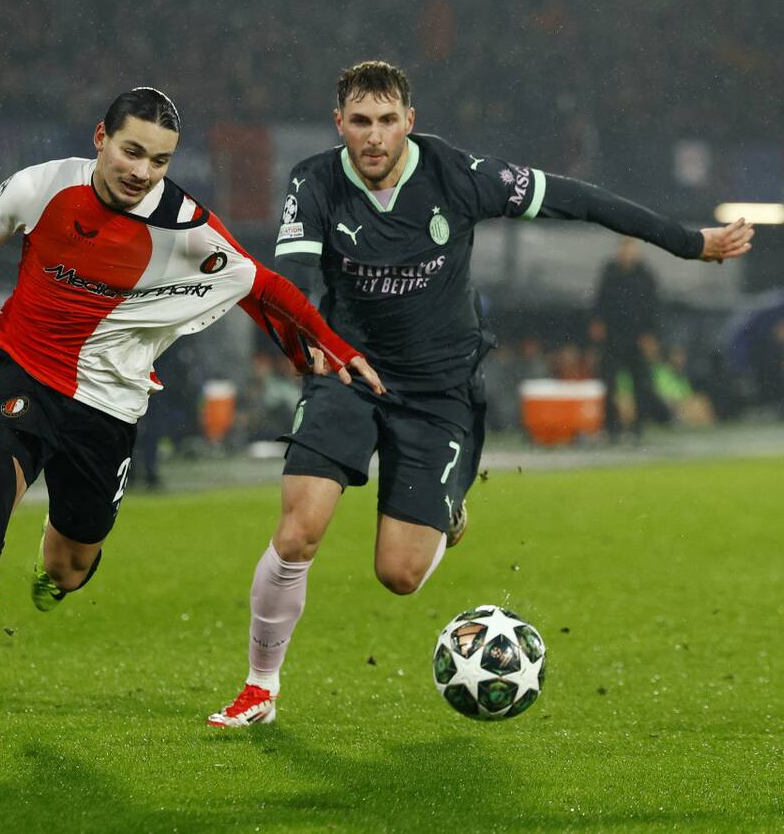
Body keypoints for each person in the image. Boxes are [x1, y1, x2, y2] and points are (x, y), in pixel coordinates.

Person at [208, 61, 754, 727]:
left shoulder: (459, 176)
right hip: (348, 372)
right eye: (360, 122)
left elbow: (578, 198)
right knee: (298, 531)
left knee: (400, 575)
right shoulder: (314, 181)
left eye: (387, 121)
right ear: (339, 125)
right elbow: (290, 281)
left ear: (410, 122)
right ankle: (261, 688)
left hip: (439, 389)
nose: (374, 137)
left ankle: (447, 512)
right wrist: (314, 344)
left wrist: (687, 241)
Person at [0, 87, 384, 750]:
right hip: (21, 374)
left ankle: (57, 560)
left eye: (158, 160)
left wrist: (338, 349)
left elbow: (263, 286)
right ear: (101, 137)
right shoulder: (40, 187)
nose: (142, 171)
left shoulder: (183, 224)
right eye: (132, 151)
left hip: (109, 406)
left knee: (71, 565)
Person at [589, 237, 665, 440]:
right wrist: (597, 322)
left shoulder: (645, 276)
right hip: (613, 337)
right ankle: (611, 426)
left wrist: (651, 335)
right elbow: (599, 301)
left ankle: (638, 427)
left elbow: (653, 308)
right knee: (608, 382)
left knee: (640, 383)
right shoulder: (609, 273)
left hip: (637, 337)